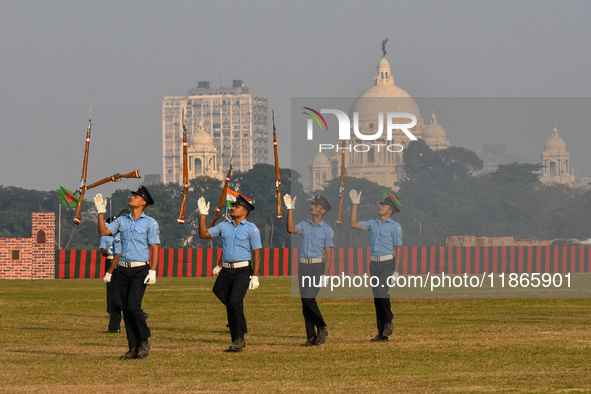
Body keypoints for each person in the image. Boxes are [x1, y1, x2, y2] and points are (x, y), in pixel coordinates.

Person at [95, 185, 160, 359]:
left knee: (133, 306)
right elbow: (103, 231)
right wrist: (101, 212)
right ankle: (133, 347)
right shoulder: (122, 220)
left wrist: (152, 271)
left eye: (136, 196)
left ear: (143, 202)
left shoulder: (150, 223)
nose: (132, 197)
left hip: (140, 269)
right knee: (126, 309)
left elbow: (154, 247)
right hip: (122, 269)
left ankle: (144, 340)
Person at [198, 193, 261, 352]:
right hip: (226, 270)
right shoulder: (224, 226)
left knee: (233, 302)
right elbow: (203, 234)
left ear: (245, 211)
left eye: (237, 207)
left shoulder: (251, 228)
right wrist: (203, 215)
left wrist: (255, 277)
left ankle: (239, 339)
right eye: (233, 206)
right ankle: (237, 335)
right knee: (224, 297)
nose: (232, 208)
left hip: (243, 271)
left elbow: (257, 253)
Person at [349, 190, 402, 342]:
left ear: (390, 209)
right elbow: (353, 224)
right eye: (381, 204)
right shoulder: (372, 223)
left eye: (384, 205)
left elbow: (398, 251)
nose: (380, 206)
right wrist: (355, 204)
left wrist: (396, 272)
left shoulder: (395, 227)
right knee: (377, 298)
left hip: (387, 263)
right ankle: (382, 333)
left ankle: (389, 320)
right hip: (374, 264)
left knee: (382, 293)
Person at [285, 194, 333, 346]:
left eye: (316, 205)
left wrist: (325, 275)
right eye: (312, 204)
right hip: (303, 266)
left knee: (309, 300)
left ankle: (322, 327)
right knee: (305, 303)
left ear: (323, 211)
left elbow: (329, 255)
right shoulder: (304, 224)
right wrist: (290, 210)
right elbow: (290, 229)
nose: (312, 207)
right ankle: (311, 337)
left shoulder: (327, 230)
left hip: (317, 267)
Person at [100, 209, 130, 334]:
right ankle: (114, 326)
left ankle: (135, 312)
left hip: (119, 264)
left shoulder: (119, 235)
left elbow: (117, 256)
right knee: (119, 296)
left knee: (116, 296)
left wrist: (109, 272)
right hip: (127, 264)